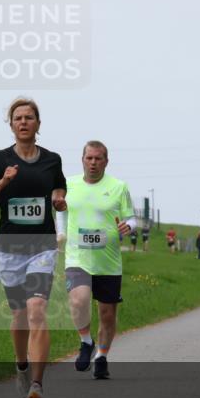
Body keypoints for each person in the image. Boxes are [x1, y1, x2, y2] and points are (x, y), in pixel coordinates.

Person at [0, 98, 66, 398]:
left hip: (42, 246)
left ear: (38, 123)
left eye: (29, 117)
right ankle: (21, 364)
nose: (23, 122)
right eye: (17, 118)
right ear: (11, 125)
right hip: (10, 249)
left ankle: (37, 385)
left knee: (37, 308)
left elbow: (59, 188)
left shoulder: (52, 160)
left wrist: (58, 199)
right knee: (19, 316)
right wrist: (4, 181)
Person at [56, 141, 136, 380]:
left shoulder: (118, 187)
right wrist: (60, 234)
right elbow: (61, 211)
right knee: (78, 301)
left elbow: (132, 219)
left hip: (108, 261)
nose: (93, 163)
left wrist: (127, 226)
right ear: (82, 159)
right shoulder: (68, 185)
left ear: (106, 161)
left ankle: (101, 355)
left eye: (98, 159)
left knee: (107, 314)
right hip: (77, 257)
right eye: (89, 158)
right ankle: (85, 342)